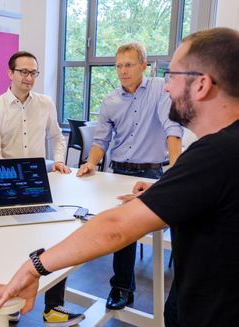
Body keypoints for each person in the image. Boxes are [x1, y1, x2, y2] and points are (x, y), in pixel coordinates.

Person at [0, 27, 239, 327]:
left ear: (202, 85)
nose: (166, 87)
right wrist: (161, 190)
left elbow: (115, 228)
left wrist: (34, 267)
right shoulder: (221, 152)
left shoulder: (212, 156)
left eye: (173, 76)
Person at [76, 42, 183, 310]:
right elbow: (101, 139)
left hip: (149, 173)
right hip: (118, 172)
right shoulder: (110, 100)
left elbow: (172, 127)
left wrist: (176, 171)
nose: (123, 71)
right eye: (119, 66)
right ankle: (123, 287)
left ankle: (154, 292)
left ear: (143, 66)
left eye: (129, 65)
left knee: (133, 229)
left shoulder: (160, 89)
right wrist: (90, 163)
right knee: (117, 229)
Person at [0, 51, 83, 325]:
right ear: (10, 73)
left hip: (41, 186)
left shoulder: (45, 103)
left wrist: (59, 162)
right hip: (8, 188)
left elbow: (57, 137)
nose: (29, 77)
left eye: (33, 72)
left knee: (53, 244)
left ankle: (53, 308)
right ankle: (12, 305)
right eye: (23, 72)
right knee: (11, 246)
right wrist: (17, 179)